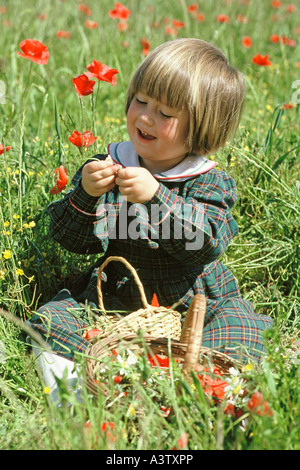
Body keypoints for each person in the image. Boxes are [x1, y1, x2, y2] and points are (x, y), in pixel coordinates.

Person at [28, 38, 273, 401]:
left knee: (242, 334)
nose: (144, 117)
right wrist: (86, 193)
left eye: (165, 114)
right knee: (50, 321)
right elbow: (70, 239)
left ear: (201, 128)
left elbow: (205, 244)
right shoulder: (112, 164)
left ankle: (198, 390)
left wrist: (156, 197)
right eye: (140, 101)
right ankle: (83, 390)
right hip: (119, 294)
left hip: (196, 301)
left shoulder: (208, 181)